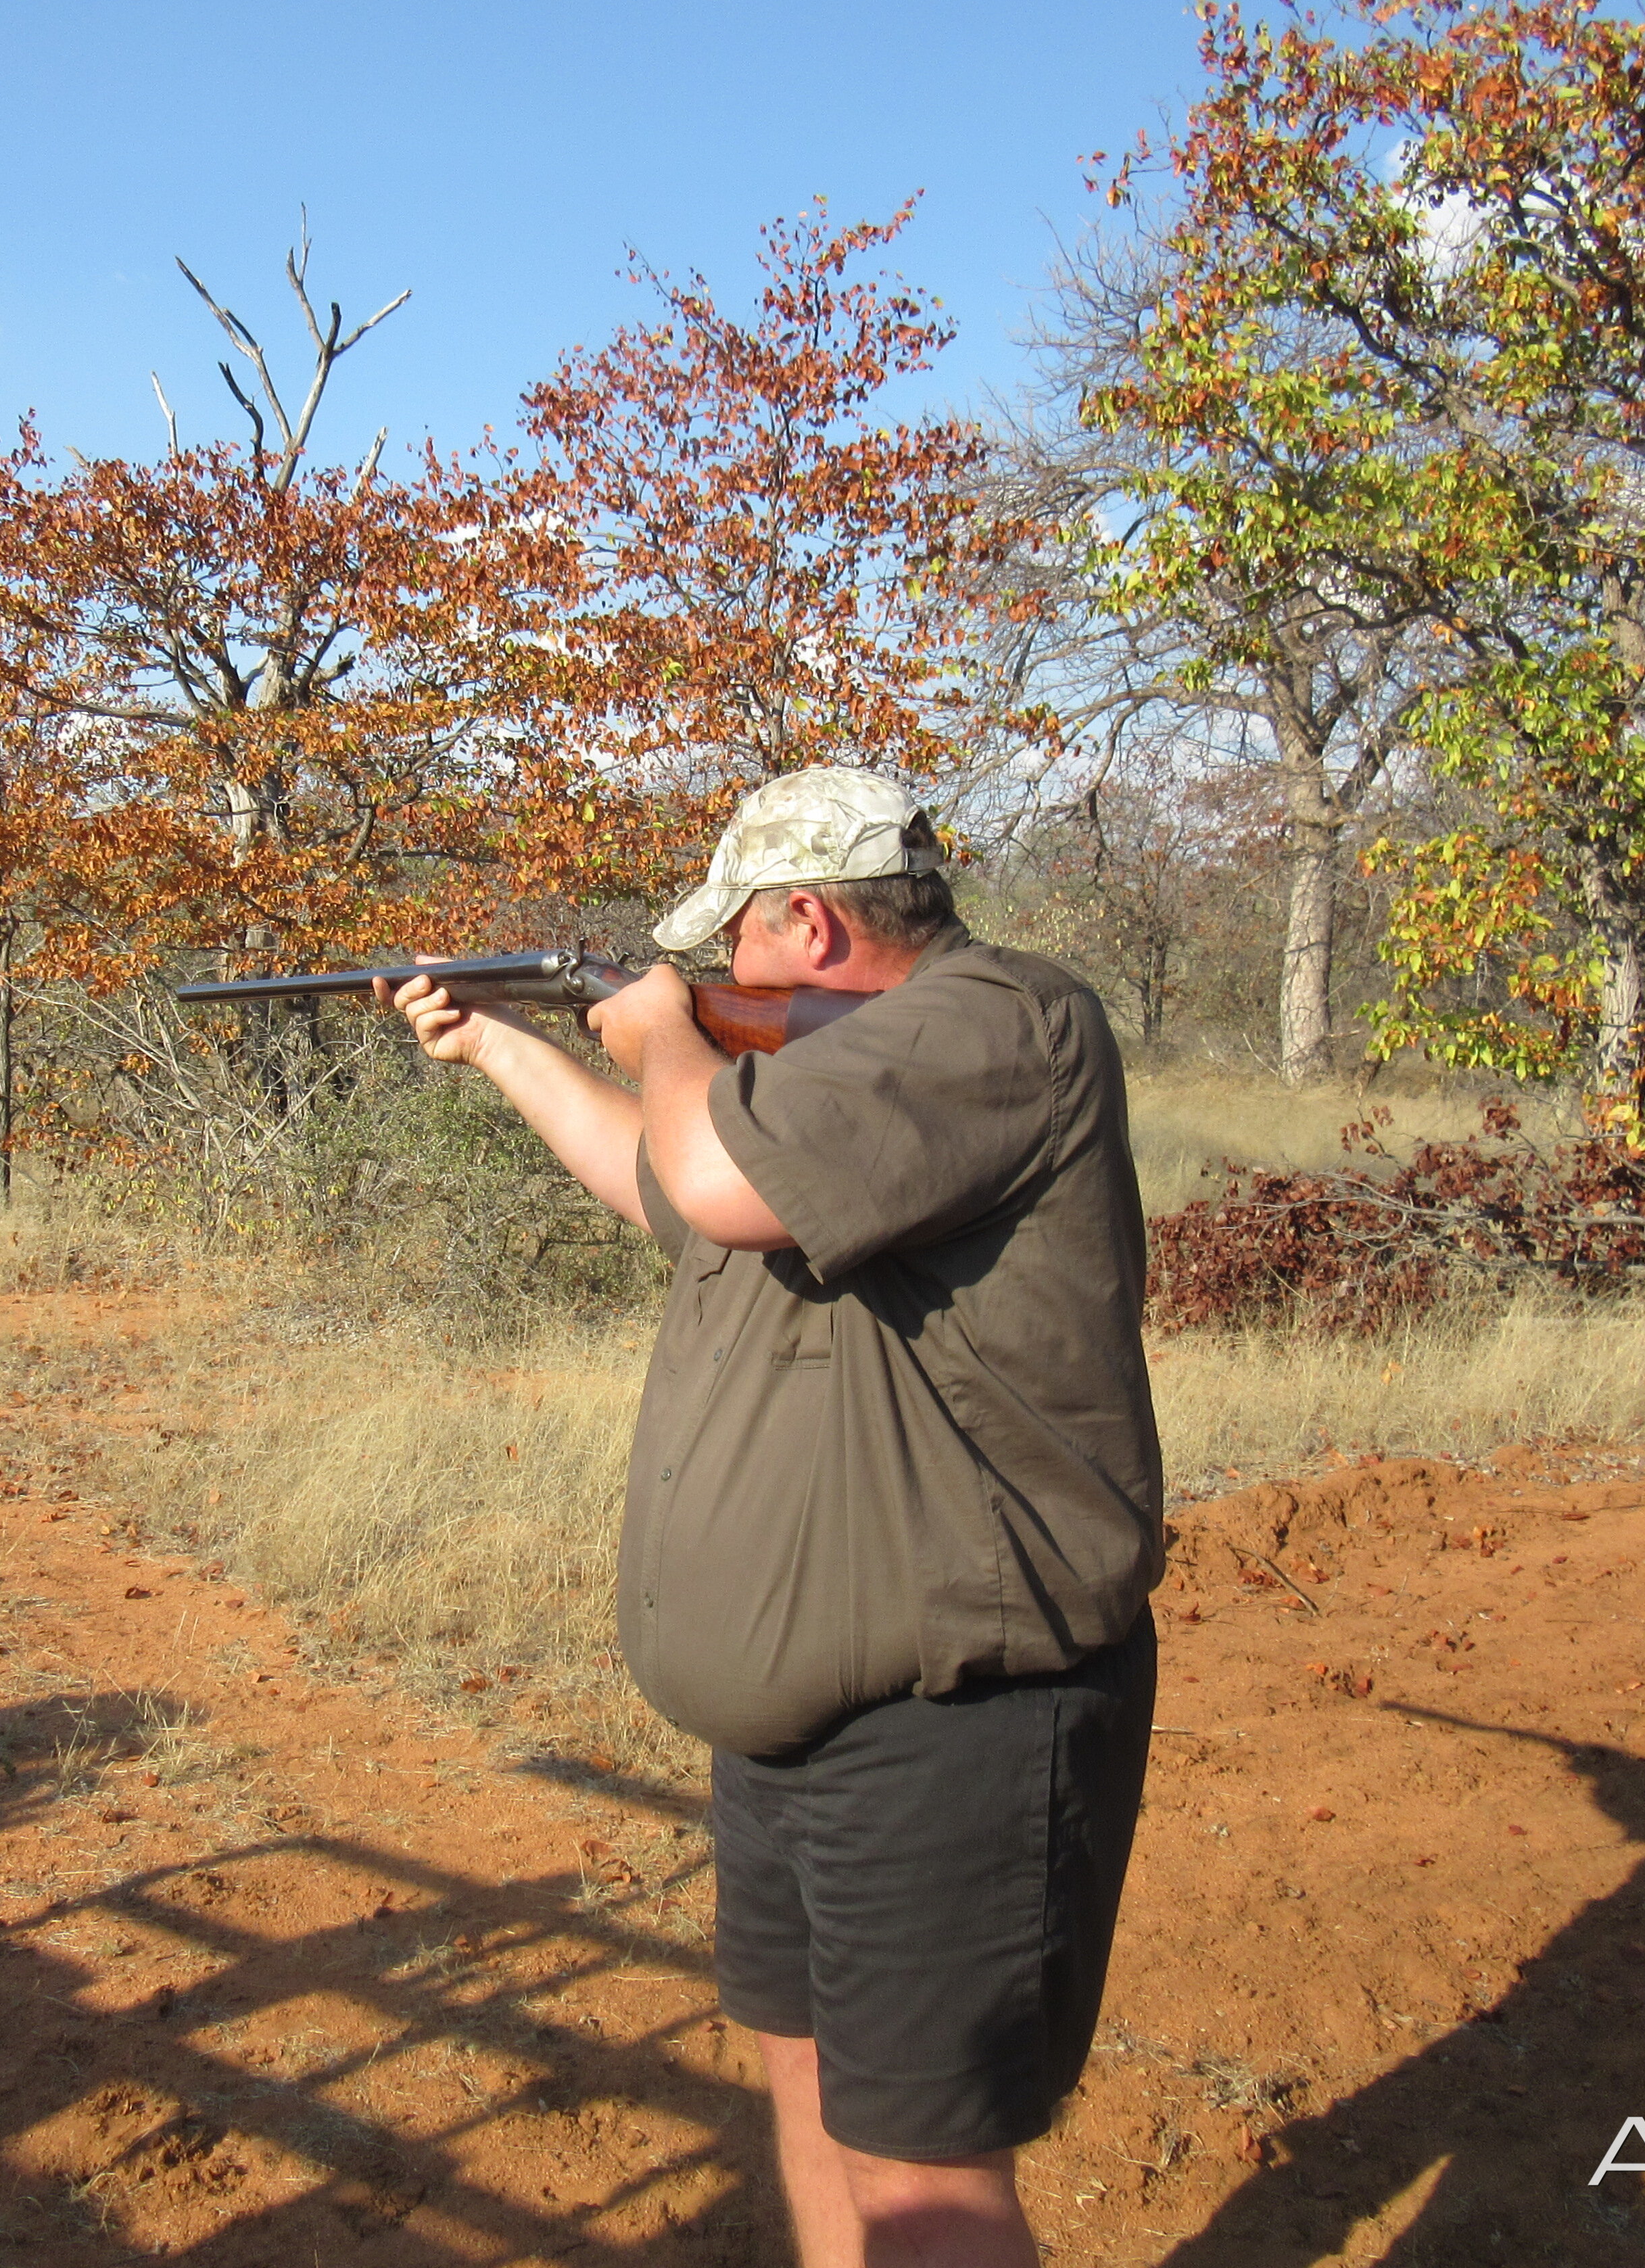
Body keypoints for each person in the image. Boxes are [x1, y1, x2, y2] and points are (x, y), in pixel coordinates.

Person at [383, 766, 1164, 2268]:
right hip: (798, 1714)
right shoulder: (809, 1103)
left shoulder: (997, 1020)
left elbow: (712, 1167)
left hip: (953, 1712)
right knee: (809, 2090)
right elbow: (656, 1175)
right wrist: (500, 1043)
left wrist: (667, 1038)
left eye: (729, 951)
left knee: (925, 2174)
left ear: (808, 923)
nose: (709, 983)